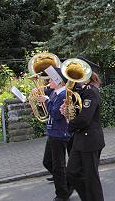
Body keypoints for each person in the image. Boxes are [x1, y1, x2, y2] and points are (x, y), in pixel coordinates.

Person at [64, 57, 105, 201]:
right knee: (72, 173)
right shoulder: (80, 92)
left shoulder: (91, 92)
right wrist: (66, 111)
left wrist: (69, 124)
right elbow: (76, 113)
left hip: (90, 139)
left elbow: (84, 119)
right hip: (80, 139)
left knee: (91, 178)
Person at [38, 68, 71, 201]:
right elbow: (49, 110)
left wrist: (46, 100)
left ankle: (62, 195)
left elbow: (57, 114)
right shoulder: (54, 93)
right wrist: (42, 102)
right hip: (52, 132)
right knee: (47, 162)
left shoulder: (63, 95)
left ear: (59, 81)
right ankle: (68, 183)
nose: (48, 81)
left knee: (59, 166)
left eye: (51, 79)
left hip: (59, 134)